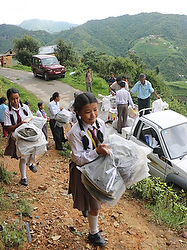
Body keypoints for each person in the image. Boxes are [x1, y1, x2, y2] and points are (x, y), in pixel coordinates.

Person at [67, 92, 109, 247]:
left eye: (95, 110)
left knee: (94, 201)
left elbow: (105, 142)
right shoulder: (75, 133)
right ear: (78, 112)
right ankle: (93, 233)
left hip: (98, 169)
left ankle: (88, 210)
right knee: (95, 205)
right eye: (87, 112)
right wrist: (96, 152)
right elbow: (77, 158)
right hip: (84, 171)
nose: (93, 115)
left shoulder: (101, 124)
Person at [4, 88, 37, 186]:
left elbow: (31, 118)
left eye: (17, 98)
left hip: (28, 133)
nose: (15, 101)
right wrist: (21, 124)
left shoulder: (25, 108)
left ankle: (30, 163)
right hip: (17, 136)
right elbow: (9, 128)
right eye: (13, 99)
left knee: (34, 150)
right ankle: (24, 177)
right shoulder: (7, 111)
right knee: (24, 156)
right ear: (9, 99)